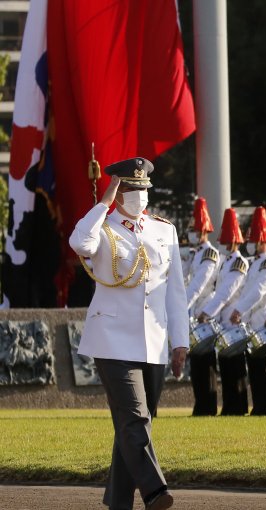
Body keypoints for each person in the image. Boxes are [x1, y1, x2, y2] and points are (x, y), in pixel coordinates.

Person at [69, 158, 188, 510]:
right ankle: (155, 490)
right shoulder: (102, 226)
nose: (139, 195)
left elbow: (175, 290)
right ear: (118, 190)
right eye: (131, 189)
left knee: (135, 424)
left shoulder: (163, 230)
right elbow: (80, 244)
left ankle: (118, 500)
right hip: (112, 338)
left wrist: (180, 340)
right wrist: (103, 203)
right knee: (135, 418)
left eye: (143, 189)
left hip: (153, 340)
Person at [198, 209, 250, 416]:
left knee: (236, 367)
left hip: (232, 319)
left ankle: (238, 406)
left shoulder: (239, 262)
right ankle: (229, 405)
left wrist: (208, 312)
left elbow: (226, 292)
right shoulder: (225, 262)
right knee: (226, 367)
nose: (224, 244)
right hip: (223, 319)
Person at [228, 206, 266, 415]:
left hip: (262, 317)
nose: (249, 244)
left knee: (263, 366)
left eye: (252, 240)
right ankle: (258, 405)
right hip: (251, 319)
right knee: (255, 367)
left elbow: (258, 291)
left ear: (262, 240)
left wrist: (239, 309)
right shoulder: (254, 263)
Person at [184, 197, 220, 416]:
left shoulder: (209, 253)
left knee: (206, 363)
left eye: (194, 229)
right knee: (196, 363)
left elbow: (199, 285)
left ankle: (208, 406)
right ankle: (200, 404)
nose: (191, 233)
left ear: (203, 230)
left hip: (204, 311)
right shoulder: (195, 254)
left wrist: (183, 306)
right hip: (192, 312)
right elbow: (184, 278)